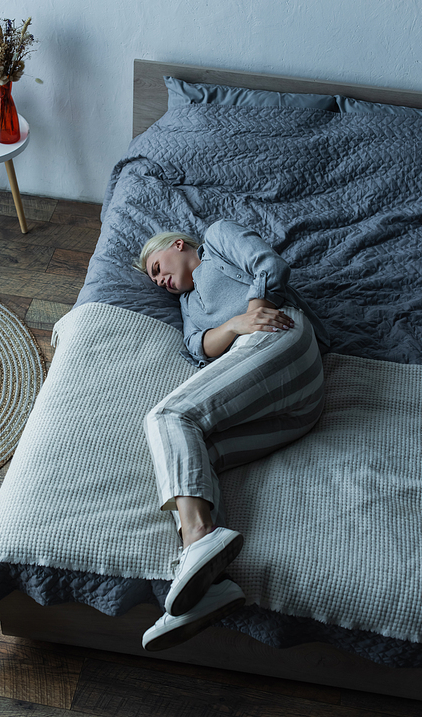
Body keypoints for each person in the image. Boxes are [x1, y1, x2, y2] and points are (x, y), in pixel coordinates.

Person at [133, 219, 329, 652]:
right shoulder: (187, 306)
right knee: (199, 454)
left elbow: (268, 263)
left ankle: (198, 541)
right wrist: (237, 324)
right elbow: (199, 347)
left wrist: (254, 311)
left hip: (282, 341)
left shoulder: (218, 239)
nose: (161, 281)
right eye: (156, 280)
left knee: (167, 417)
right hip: (294, 410)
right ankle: (209, 583)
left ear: (178, 245)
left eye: (157, 268)